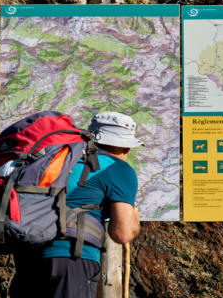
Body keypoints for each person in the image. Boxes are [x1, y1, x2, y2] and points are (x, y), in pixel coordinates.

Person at [10, 111, 142, 298]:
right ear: (126, 148)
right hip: (72, 259)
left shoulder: (59, 159)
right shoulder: (118, 168)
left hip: (27, 260)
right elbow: (122, 233)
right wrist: (134, 221)